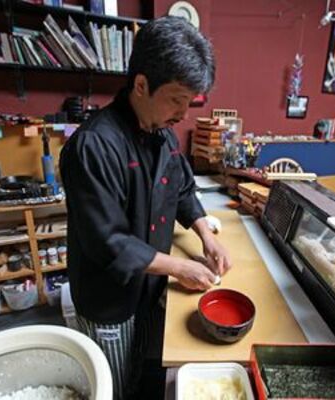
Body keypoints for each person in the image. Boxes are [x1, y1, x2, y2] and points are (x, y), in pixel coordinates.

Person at [60, 16, 231, 400]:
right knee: (113, 385)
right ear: (141, 85)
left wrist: (207, 235)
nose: (183, 114)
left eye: (189, 101)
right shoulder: (93, 146)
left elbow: (182, 190)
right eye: (176, 99)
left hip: (149, 286)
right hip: (110, 299)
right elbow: (108, 243)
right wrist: (180, 267)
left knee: (142, 369)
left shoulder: (162, 134)